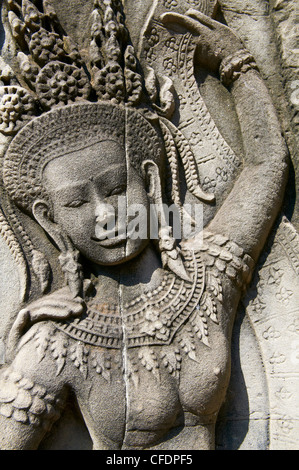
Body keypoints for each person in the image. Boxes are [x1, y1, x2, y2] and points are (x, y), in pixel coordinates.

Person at [0, 8, 288, 450]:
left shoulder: (207, 277)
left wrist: (238, 68)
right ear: (48, 220)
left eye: (117, 189)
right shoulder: (56, 339)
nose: (104, 216)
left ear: (150, 182)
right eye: (76, 202)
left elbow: (266, 167)